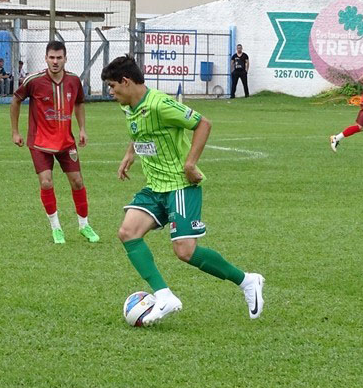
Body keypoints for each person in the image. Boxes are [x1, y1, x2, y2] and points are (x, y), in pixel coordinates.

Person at [102, 54, 264, 326]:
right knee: (127, 233)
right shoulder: (129, 105)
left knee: (185, 251)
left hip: (180, 185)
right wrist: (129, 153)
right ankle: (164, 296)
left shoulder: (161, 105)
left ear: (126, 82)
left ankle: (247, 281)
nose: (110, 92)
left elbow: (203, 123)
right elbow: (138, 129)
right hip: (155, 186)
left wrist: (190, 163)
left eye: (112, 86)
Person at [10, 41, 99, 244]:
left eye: (59, 57)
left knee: (77, 181)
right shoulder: (34, 80)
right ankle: (56, 228)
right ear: (46, 58)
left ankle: (84, 225)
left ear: (65, 58)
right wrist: (15, 132)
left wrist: (82, 128)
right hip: (40, 141)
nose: (55, 61)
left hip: (66, 141)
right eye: (52, 57)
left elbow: (79, 102)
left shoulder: (74, 81)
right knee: (46, 181)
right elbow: (15, 100)